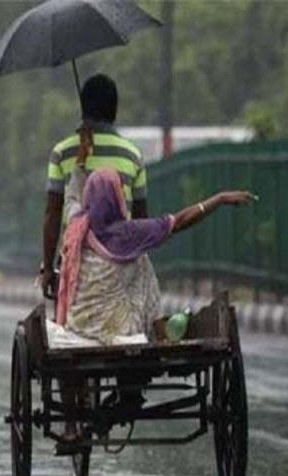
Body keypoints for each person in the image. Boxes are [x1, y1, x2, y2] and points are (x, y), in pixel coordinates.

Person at [54, 167, 254, 448]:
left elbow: (71, 200)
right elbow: (181, 220)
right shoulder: (132, 233)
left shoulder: (76, 227)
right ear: (116, 199)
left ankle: (72, 425)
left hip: (81, 327)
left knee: (138, 262)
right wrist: (218, 199)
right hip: (122, 331)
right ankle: (141, 368)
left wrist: (79, 164)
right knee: (142, 261)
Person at [43, 74, 148, 297]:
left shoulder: (62, 153)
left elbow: (52, 215)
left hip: (74, 266)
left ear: (82, 108)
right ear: (114, 110)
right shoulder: (133, 155)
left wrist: (47, 269)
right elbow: (141, 221)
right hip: (120, 265)